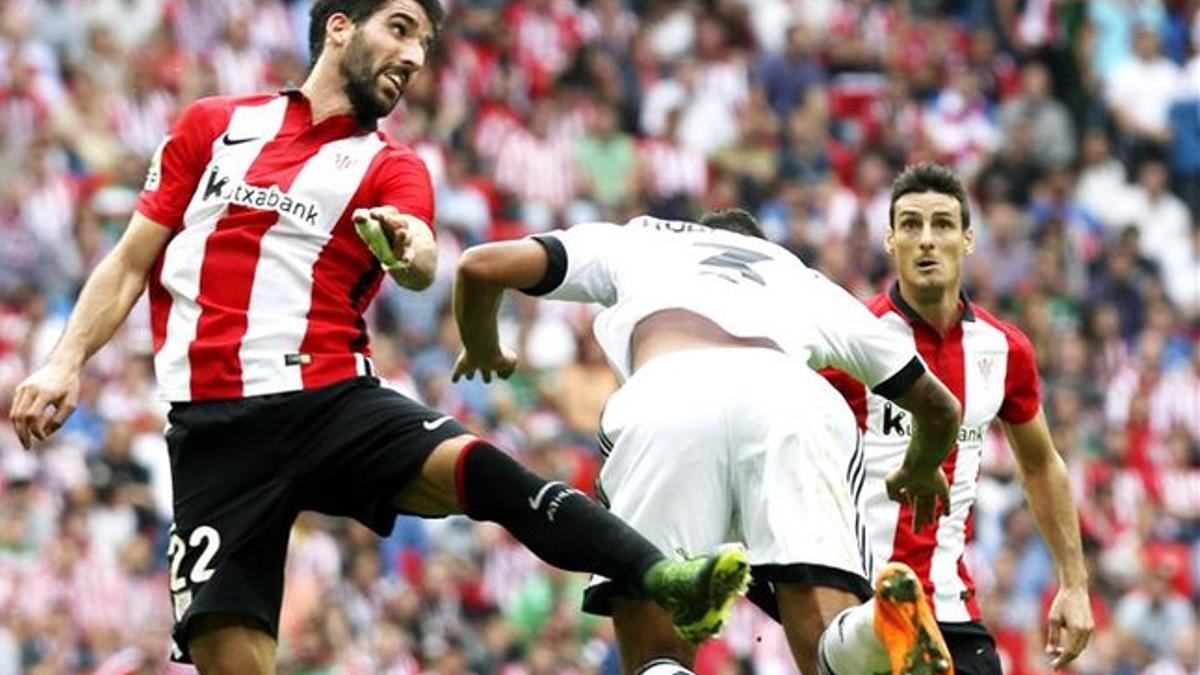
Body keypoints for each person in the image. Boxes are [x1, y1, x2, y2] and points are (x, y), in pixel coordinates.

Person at [6, 2, 750, 673]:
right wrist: (65, 360)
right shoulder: (215, 125)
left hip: (330, 399)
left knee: (485, 469)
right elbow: (132, 259)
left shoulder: (391, 165)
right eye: (400, 29)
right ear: (339, 27)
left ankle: (667, 579)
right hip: (214, 433)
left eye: (425, 44)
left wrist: (407, 244)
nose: (415, 56)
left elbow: (424, 257)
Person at [452, 209, 965, 675]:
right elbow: (941, 408)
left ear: (700, 231)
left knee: (657, 651)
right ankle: (874, 626)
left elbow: (480, 266)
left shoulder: (640, 241)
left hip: (667, 397)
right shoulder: (805, 281)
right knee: (827, 645)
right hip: (791, 403)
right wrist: (920, 467)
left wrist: (482, 346)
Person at [821, 162, 1095, 674]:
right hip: (862, 607)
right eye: (911, 225)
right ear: (890, 241)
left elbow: (1040, 465)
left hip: (950, 607)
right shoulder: (852, 340)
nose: (927, 240)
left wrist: (1075, 584)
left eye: (942, 225)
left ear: (967, 240)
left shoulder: (1003, 349)